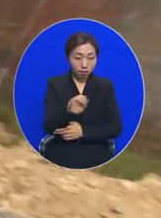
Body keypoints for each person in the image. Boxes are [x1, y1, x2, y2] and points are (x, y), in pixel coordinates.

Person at [41, 32, 121, 169]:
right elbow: (49, 125)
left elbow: (115, 127)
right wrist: (68, 111)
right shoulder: (55, 84)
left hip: (96, 152)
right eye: (78, 58)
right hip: (61, 152)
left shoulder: (105, 86)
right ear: (68, 57)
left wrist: (83, 131)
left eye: (91, 58)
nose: (84, 65)